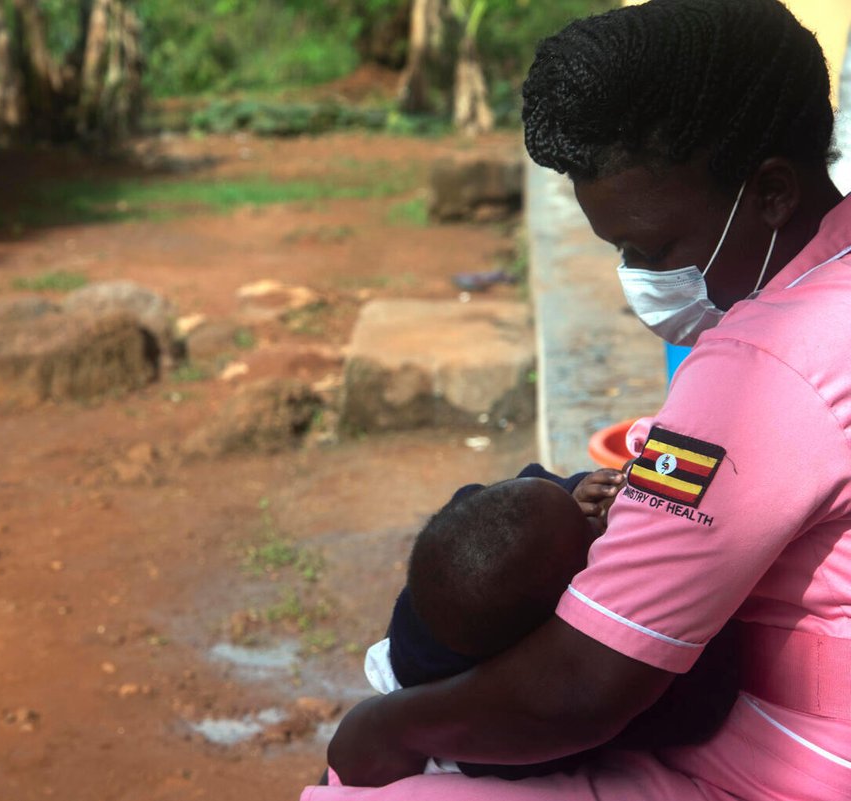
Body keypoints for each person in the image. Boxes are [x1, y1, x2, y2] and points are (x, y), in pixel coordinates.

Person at [304, 0, 851, 798]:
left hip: (791, 763)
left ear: (770, 192)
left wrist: (385, 725)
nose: (637, 274)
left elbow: (582, 687)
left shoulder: (762, 368)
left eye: (654, 248)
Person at [361, 466, 736, 782]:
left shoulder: (452, 577)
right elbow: (699, 713)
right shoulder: (510, 730)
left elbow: (516, 503)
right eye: (594, 538)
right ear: (555, 631)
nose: (600, 518)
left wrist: (574, 488)